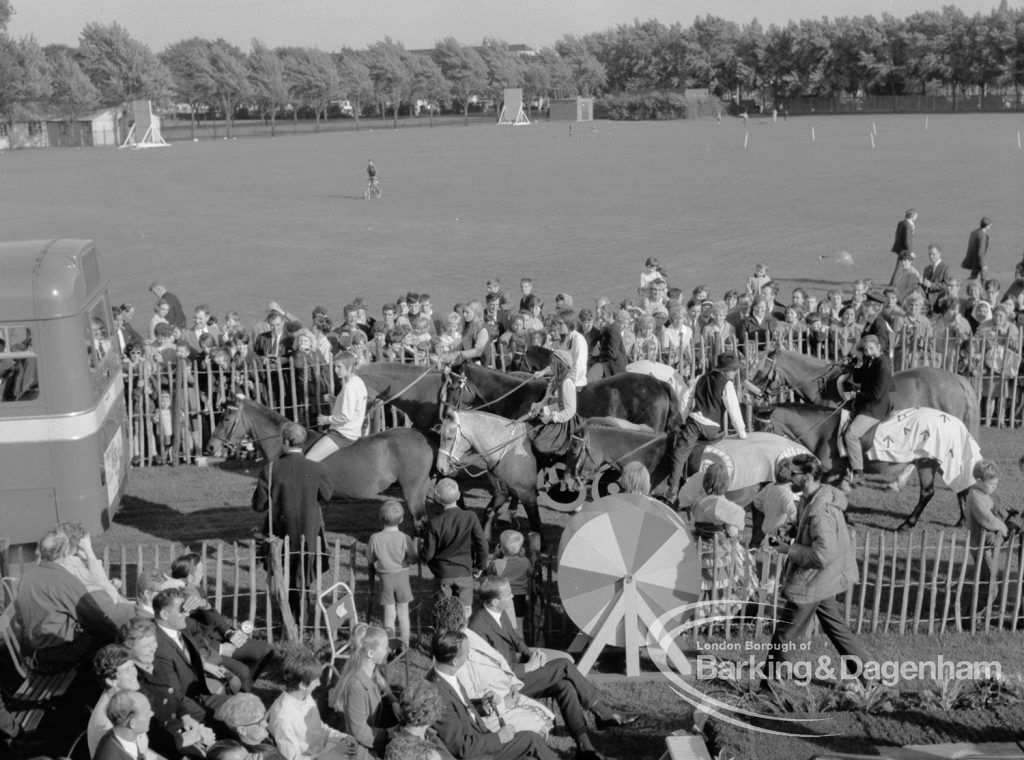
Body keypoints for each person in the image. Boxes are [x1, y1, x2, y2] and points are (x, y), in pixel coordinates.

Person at [468, 577, 636, 759]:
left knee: (566, 686)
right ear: (494, 601)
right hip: (506, 685)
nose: (512, 596)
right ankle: (603, 712)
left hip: (518, 674)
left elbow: (516, 639)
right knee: (564, 665)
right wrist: (527, 667)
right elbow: (490, 670)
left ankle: (585, 748)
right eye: (508, 594)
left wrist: (531, 654)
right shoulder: (478, 626)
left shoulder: (499, 612)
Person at [764, 453, 870, 684]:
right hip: (822, 577)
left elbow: (823, 554)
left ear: (808, 476)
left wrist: (788, 550)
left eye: (794, 474)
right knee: (836, 629)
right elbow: (806, 528)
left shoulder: (821, 511)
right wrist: (790, 531)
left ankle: (769, 688)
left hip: (812, 579)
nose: (789, 477)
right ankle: (872, 678)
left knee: (785, 633)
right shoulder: (810, 497)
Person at [425, 631, 559, 760]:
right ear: (455, 661)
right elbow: (462, 748)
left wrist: (482, 706)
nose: (469, 654)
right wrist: (499, 738)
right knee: (530, 739)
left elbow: (462, 711)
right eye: (467, 652)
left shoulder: (447, 676)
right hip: (478, 754)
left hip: (480, 739)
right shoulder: (437, 695)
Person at [431, 598, 554, 737]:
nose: (468, 613)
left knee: (547, 719)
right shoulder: (454, 655)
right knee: (539, 731)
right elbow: (470, 699)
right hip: (493, 712)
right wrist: (503, 703)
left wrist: (512, 682)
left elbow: (497, 658)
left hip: (505, 691)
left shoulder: (467, 634)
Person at [13, 529, 119, 670]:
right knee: (110, 639)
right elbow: (94, 618)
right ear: (64, 552)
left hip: (38, 650)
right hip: (62, 652)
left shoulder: (27, 577)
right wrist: (117, 632)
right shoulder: (64, 580)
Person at [169, 553, 275, 689]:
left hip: (219, 637)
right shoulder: (175, 603)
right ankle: (241, 695)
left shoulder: (196, 588)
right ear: (190, 578)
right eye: (201, 571)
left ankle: (244, 689)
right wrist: (219, 649)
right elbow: (187, 640)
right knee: (243, 671)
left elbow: (214, 615)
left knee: (266, 651)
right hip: (207, 649)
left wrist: (229, 632)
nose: (203, 574)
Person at [252, 423, 332, 598]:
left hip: (282, 533)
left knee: (285, 580)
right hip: (310, 534)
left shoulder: (270, 469)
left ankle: (288, 619)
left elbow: (259, 505)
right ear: (302, 442)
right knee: (305, 578)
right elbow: (327, 495)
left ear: (285, 441)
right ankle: (301, 616)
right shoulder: (317, 468)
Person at [664, 353, 747, 505]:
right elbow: (733, 410)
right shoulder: (727, 384)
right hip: (713, 429)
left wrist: (681, 420)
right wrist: (742, 433)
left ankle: (672, 490)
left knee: (679, 452)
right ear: (724, 370)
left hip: (694, 424)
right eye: (733, 370)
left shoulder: (699, 378)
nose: (735, 373)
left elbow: (687, 399)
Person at [151, 587, 231, 720]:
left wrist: (203, 604)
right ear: (165, 614)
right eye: (182, 610)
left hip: (199, 695)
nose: (187, 615)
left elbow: (210, 625)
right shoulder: (159, 649)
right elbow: (176, 698)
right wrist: (210, 714)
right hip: (187, 713)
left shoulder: (178, 627)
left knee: (244, 703)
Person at [268, 647, 358, 760]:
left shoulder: (305, 697)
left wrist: (343, 737)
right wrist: (334, 754)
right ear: (302, 685)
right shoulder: (283, 718)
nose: (319, 684)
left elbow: (320, 730)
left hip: (322, 752)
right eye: (315, 680)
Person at [420, 479, 488, 619]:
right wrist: (480, 566)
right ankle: (462, 634)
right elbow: (482, 544)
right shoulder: (470, 517)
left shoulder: (434, 523)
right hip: (464, 572)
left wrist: (421, 554)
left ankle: (445, 635)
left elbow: (428, 554)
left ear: (437, 499)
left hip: (443, 574)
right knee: (465, 610)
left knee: (443, 609)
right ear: (459, 495)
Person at [329, 624, 400, 758]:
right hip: (361, 749)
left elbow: (383, 685)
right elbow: (359, 732)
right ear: (370, 653)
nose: (389, 650)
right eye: (385, 647)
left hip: (375, 733)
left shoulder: (374, 669)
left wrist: (393, 702)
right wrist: (388, 734)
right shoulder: (355, 686)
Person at [838, 335, 892, 490]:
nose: (868, 352)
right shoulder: (871, 361)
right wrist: (858, 361)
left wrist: (855, 395)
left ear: (878, 348)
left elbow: (876, 394)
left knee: (851, 434)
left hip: (875, 408)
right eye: (865, 349)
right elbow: (859, 376)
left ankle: (858, 471)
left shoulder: (883, 365)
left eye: (871, 349)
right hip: (865, 404)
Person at [527, 349, 582, 490]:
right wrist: (539, 407)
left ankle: (553, 476)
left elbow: (570, 410)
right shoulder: (555, 380)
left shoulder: (567, 383)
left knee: (540, 443)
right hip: (554, 415)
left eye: (553, 363)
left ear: (559, 365)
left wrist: (552, 417)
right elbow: (549, 400)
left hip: (565, 422)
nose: (550, 365)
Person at [366, 500, 417, 647]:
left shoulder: (375, 538)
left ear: (381, 518)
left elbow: (370, 558)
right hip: (402, 578)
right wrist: (406, 560)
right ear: (401, 519)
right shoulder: (404, 538)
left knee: (389, 614)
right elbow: (413, 557)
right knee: (403, 613)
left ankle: (390, 644)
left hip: (385, 579)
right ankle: (405, 643)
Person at [965, 460, 1010, 616]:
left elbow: (991, 512)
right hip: (981, 548)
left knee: (987, 583)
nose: (994, 487)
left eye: (996, 484)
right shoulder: (975, 497)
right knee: (990, 589)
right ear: (978, 481)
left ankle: (972, 615)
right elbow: (987, 519)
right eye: (991, 484)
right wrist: (1004, 528)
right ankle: (970, 617)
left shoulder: (982, 494)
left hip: (987, 547)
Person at [306, 353, 367, 461]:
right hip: (351, 431)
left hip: (342, 434)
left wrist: (325, 419)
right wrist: (336, 399)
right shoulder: (358, 382)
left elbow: (346, 416)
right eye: (335, 366)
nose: (335, 370)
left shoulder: (349, 387)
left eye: (339, 367)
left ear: (350, 366)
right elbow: (355, 405)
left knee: (309, 459)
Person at [486, 530, 533, 634]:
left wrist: (495, 555)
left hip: (503, 596)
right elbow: (530, 572)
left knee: (502, 624)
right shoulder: (525, 562)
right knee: (518, 624)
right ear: (521, 549)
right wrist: (523, 556)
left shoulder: (497, 563)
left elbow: (489, 571)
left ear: (501, 548)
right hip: (520, 597)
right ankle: (520, 645)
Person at [215, 692, 286, 760]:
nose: (266, 724)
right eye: (260, 722)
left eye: (265, 717)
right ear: (242, 730)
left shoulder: (259, 739)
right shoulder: (262, 756)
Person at [93, 690, 156, 760]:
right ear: (132, 723)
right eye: (146, 713)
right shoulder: (111, 756)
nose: (152, 714)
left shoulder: (126, 739)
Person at [587, 308, 628, 381]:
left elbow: (612, 353)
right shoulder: (607, 327)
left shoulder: (614, 329)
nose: (600, 316)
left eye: (603, 314)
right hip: (606, 361)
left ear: (610, 315)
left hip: (613, 364)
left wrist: (599, 356)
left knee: (590, 377)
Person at [889, 209, 916, 285]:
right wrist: (911, 252)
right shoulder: (907, 225)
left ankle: (896, 283)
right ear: (912, 216)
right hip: (905, 251)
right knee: (901, 268)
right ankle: (893, 284)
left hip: (901, 249)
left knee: (901, 268)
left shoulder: (902, 223)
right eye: (916, 215)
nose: (916, 217)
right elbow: (907, 239)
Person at [962, 216, 992, 282]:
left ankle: (966, 284)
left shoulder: (974, 232)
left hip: (973, 259)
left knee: (973, 277)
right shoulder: (982, 236)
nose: (990, 226)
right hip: (978, 261)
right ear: (987, 226)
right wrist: (983, 265)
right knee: (985, 279)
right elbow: (981, 252)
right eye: (990, 225)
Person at [922, 244, 951, 311]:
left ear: (939, 254)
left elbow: (947, 286)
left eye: (933, 254)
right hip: (926, 302)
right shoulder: (926, 269)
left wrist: (931, 285)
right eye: (929, 254)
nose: (931, 256)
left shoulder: (945, 268)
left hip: (938, 302)